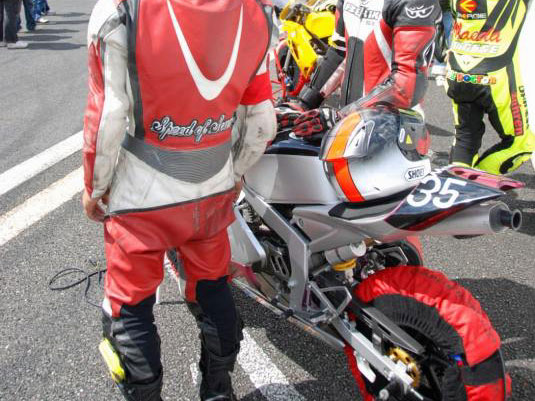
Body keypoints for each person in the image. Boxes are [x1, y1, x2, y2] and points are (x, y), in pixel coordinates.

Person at [82, 0, 276, 400]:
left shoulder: (119, 9)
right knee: (213, 289)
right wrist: (234, 174)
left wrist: (94, 189)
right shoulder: (259, 12)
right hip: (211, 190)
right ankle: (218, 390)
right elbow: (261, 121)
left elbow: (108, 116)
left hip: (141, 199)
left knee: (128, 309)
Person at [281, 0, 441, 139]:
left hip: (393, 130)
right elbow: (339, 52)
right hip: (349, 125)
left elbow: (406, 84)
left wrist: (343, 116)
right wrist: (303, 104)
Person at [445, 0, 535, 175]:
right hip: (495, 77)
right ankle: (475, 181)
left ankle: (456, 183)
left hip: (457, 73)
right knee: (521, 144)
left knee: (465, 139)